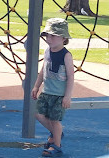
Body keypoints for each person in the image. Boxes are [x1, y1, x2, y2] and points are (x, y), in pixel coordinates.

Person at [31, 18, 74, 157]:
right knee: (38, 114)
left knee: (55, 120)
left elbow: (71, 77)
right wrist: (36, 86)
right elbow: (43, 70)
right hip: (46, 92)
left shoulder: (66, 56)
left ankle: (56, 145)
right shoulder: (47, 51)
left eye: (53, 36)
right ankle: (57, 134)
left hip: (59, 95)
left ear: (63, 38)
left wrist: (67, 96)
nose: (49, 39)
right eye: (47, 36)